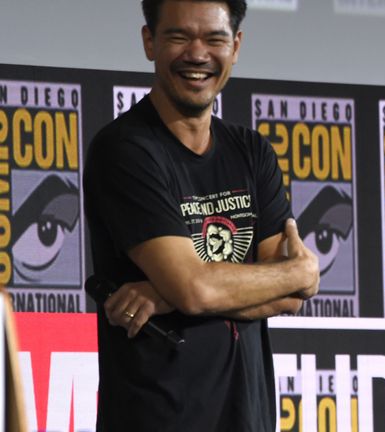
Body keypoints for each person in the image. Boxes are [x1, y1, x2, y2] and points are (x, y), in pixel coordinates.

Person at [83, 0, 319, 431]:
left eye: (214, 38)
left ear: (236, 46)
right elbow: (200, 287)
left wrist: (163, 295)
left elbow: (291, 293)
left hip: (248, 416)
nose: (198, 54)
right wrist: (293, 272)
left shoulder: (252, 152)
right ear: (149, 41)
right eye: (178, 36)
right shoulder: (125, 150)